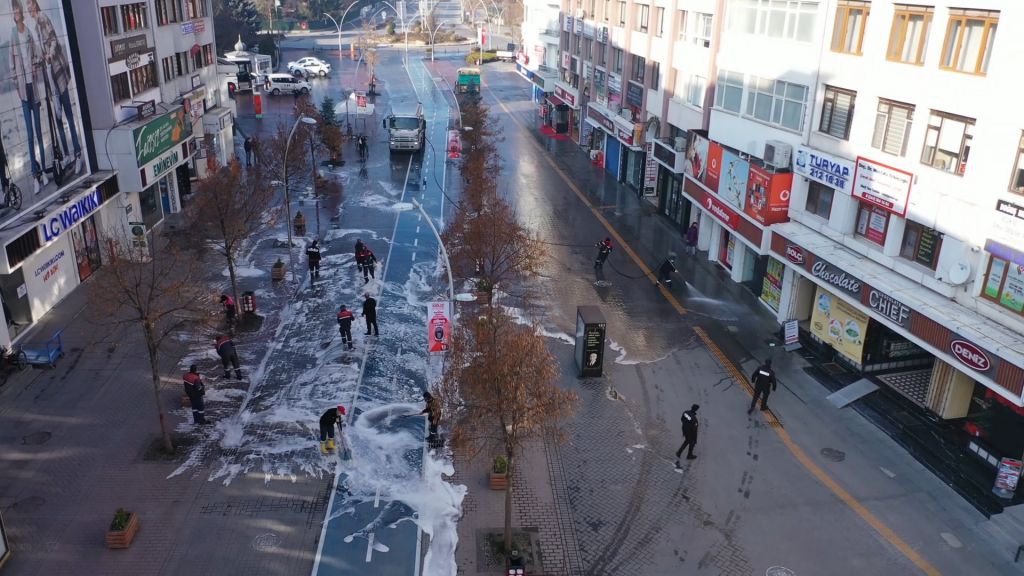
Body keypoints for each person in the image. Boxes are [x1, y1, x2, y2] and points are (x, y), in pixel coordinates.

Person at [28, 0, 81, 176]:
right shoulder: (35, 27)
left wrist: (50, 54)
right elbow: (39, 52)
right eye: (27, 4)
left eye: (30, 3)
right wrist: (36, 63)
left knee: (67, 114)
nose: (29, 7)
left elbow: (53, 41)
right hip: (49, 77)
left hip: (57, 73)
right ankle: (66, 155)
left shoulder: (42, 18)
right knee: (58, 118)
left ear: (35, 4)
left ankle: (78, 154)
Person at [10, 0, 47, 194]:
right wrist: (17, 85)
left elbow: (38, 56)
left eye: (18, 8)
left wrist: (34, 63)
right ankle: (35, 176)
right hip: (24, 93)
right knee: (31, 135)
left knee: (40, 133)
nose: (16, 11)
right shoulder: (13, 35)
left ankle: (44, 171)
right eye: (13, 9)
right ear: (12, 12)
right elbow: (11, 66)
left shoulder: (29, 34)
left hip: (34, 89)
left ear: (21, 11)